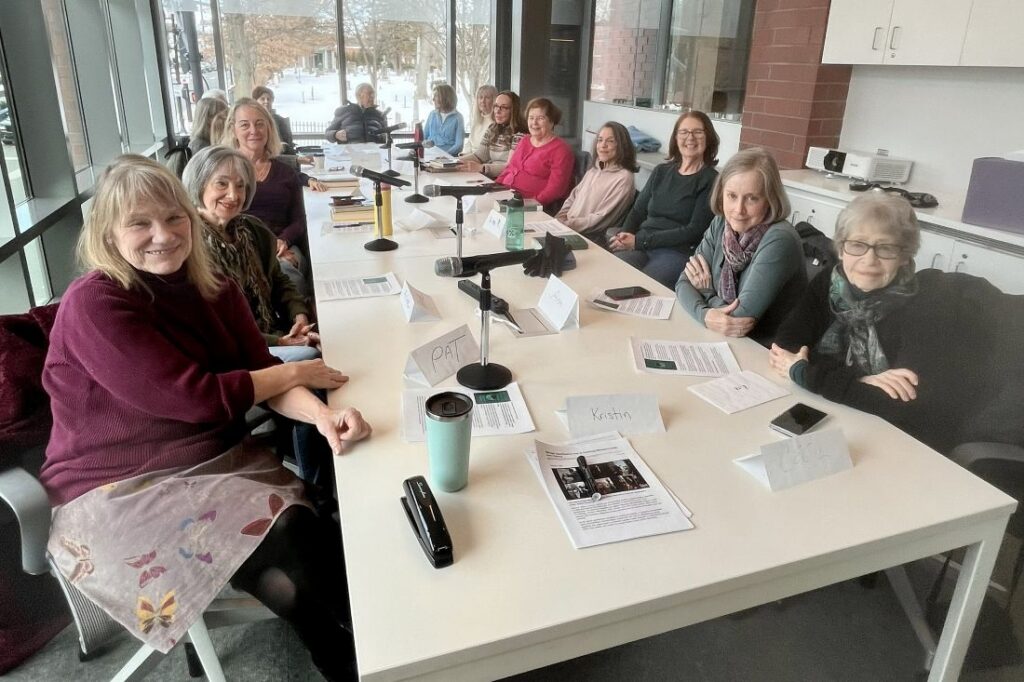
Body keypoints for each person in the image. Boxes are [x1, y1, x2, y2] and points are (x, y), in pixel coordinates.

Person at [38, 155, 371, 680]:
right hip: (115, 488)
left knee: (303, 536)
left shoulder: (213, 286)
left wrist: (321, 418)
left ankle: (369, 646)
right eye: (140, 224)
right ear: (108, 234)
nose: (163, 235)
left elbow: (259, 370)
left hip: (211, 461)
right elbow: (195, 397)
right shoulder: (95, 303)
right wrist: (291, 377)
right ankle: (354, 653)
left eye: (173, 218)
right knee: (290, 536)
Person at [768, 192, 999, 453]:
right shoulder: (830, 283)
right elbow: (784, 345)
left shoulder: (930, 304)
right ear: (842, 249)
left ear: (904, 255)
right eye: (857, 244)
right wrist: (863, 381)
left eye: (885, 248)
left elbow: (898, 405)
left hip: (906, 443)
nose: (869, 260)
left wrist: (805, 372)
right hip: (835, 416)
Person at [182, 146, 318, 360]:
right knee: (310, 357)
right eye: (221, 183)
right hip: (229, 351)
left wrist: (298, 316)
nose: (233, 195)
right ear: (199, 184)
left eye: (240, 185)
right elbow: (212, 325)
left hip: (271, 332)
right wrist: (279, 342)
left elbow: (278, 280)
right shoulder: (187, 245)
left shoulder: (253, 229)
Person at [675, 147, 804, 345]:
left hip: (765, 349)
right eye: (732, 196)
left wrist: (707, 292)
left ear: (770, 200)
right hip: (724, 340)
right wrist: (706, 315)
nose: (738, 210)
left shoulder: (780, 240)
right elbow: (683, 283)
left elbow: (738, 321)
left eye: (752, 198)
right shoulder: (721, 223)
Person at [608, 110, 719, 289]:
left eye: (698, 132)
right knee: (613, 271)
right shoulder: (661, 171)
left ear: (709, 138)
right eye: (684, 132)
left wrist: (639, 241)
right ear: (676, 138)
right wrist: (625, 235)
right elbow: (637, 211)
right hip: (643, 244)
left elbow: (694, 231)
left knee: (645, 286)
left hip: (677, 251)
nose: (690, 137)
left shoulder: (711, 180)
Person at [222, 97, 310, 297]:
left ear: (269, 128)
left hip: (282, 245)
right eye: (245, 125)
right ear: (233, 130)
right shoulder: (223, 172)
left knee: (288, 272)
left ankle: (301, 324)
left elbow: (298, 219)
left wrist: (283, 241)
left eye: (260, 123)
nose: (254, 130)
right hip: (238, 245)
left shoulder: (286, 172)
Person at [555, 121, 637, 246]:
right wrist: (558, 219)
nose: (603, 145)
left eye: (610, 141)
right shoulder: (594, 169)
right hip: (567, 229)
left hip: (590, 239)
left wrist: (565, 225)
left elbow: (601, 219)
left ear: (621, 146)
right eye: (600, 140)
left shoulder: (624, 178)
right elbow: (572, 198)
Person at [495, 97, 574, 214]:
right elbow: (510, 168)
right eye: (531, 118)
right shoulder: (524, 140)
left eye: (540, 118)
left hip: (531, 206)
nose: (534, 123)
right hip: (506, 198)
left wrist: (532, 203)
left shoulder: (561, 150)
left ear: (551, 121)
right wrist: (494, 187)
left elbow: (556, 189)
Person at [457, 90, 527, 179]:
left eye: (504, 107)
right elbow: (479, 156)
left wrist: (482, 168)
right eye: (496, 106)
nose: (497, 111)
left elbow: (510, 167)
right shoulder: (492, 128)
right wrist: (452, 163)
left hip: (506, 181)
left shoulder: (520, 134)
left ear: (513, 111)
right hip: (490, 178)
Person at [423, 83, 465, 156]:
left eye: (436, 96)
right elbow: (423, 137)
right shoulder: (432, 114)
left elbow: (459, 145)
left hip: (448, 158)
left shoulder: (458, 117)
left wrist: (444, 155)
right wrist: (425, 143)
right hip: (429, 155)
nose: (433, 99)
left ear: (446, 98)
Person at [253, 85, 295, 154]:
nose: (266, 101)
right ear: (255, 101)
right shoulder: (251, 120)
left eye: (269, 99)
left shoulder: (280, 121)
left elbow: (287, 142)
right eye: (262, 99)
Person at [463, 84, 497, 153]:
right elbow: (469, 142)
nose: (482, 101)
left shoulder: (495, 123)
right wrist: (463, 155)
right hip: (468, 157)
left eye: (487, 98)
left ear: (494, 100)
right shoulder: (477, 120)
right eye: (480, 97)